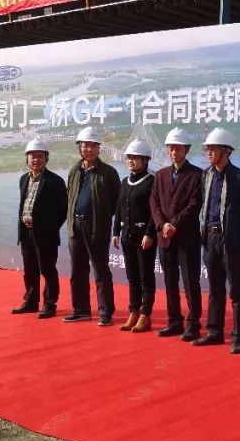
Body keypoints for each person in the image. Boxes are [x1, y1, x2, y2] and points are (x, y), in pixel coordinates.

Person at [195, 128, 240, 353]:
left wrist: (237, 235)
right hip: (210, 239)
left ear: (227, 151)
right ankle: (214, 332)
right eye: (207, 149)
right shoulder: (206, 176)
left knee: (236, 291)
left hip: (231, 242)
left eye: (213, 149)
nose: (209, 153)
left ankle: (238, 336)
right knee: (215, 288)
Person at [150, 127, 204, 341]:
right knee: (170, 281)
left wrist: (173, 224)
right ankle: (174, 321)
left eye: (178, 148)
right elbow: (154, 202)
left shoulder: (197, 175)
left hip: (186, 239)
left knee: (191, 282)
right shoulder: (161, 175)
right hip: (164, 239)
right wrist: (162, 225)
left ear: (186, 150)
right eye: (171, 148)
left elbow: (195, 204)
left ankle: (193, 324)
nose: (174, 152)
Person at [64, 126, 120, 324]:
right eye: (84, 145)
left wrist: (103, 218)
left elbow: (116, 203)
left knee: (100, 271)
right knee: (77, 271)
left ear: (98, 148)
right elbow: (70, 197)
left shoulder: (109, 173)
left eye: (92, 145)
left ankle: (105, 312)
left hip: (96, 227)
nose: (88, 149)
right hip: (75, 226)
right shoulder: (74, 171)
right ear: (79, 148)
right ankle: (81, 310)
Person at [12, 137, 67, 319]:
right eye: (32, 156)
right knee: (30, 270)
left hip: (46, 235)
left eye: (40, 156)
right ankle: (31, 302)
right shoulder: (23, 179)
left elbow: (63, 210)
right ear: (26, 159)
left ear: (46, 158)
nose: (36, 160)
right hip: (26, 233)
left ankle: (49, 304)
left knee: (47, 270)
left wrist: (48, 227)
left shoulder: (55, 181)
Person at [112, 139, 157, 334]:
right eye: (128, 157)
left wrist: (149, 233)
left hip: (144, 238)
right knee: (132, 277)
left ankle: (145, 315)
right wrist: (115, 232)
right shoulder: (125, 182)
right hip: (127, 237)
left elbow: (155, 212)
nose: (130, 161)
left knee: (145, 276)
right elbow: (119, 209)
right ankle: (134, 311)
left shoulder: (152, 182)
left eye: (135, 158)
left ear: (145, 160)